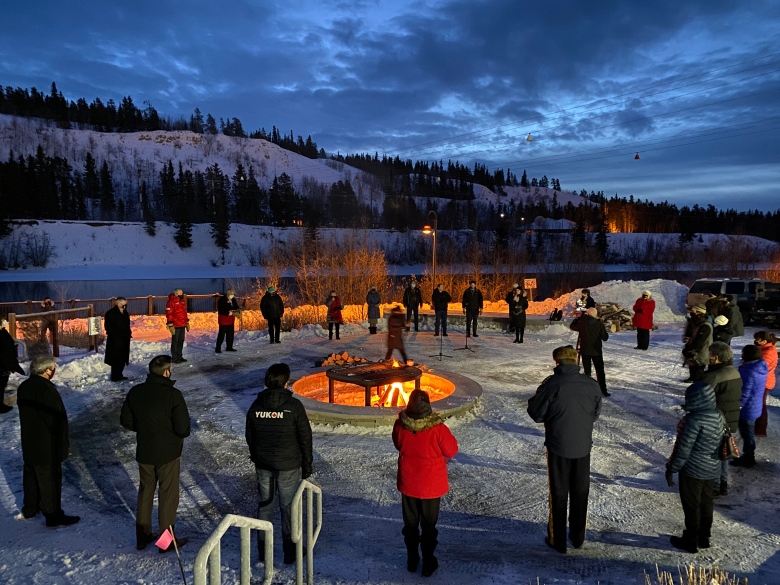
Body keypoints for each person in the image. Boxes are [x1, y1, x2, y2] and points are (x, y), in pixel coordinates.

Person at [527, 345, 602, 554]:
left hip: (558, 445)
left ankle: (557, 539)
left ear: (557, 362)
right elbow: (595, 414)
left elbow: (536, 414)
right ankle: (578, 537)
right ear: (576, 360)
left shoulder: (552, 385)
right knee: (580, 492)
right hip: (583, 446)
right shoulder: (591, 384)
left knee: (558, 493)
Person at [120, 355, 191, 552]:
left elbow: (125, 420)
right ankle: (166, 541)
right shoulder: (173, 395)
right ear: (167, 372)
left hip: (145, 450)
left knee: (145, 492)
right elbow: (183, 428)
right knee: (167, 496)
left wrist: (145, 428)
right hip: (168, 452)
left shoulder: (136, 392)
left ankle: (142, 537)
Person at [245, 363, 313, 565]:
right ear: (285, 382)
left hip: (264, 464)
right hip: (288, 465)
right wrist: (306, 465)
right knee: (288, 508)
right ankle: (290, 551)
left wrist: (257, 456)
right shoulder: (294, 407)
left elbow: (250, 436)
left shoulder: (256, 406)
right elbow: (305, 438)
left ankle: (263, 552)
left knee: (264, 506)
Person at [392, 389, 458, 577]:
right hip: (431, 485)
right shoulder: (438, 429)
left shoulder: (400, 425)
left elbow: (398, 444)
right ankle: (428, 562)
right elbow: (451, 451)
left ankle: (412, 559)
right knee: (429, 526)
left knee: (410, 525)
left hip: (409, 482)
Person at [17, 354, 80, 527]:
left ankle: (30, 507)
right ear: (46, 370)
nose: (54, 371)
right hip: (47, 444)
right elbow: (55, 420)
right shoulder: (47, 390)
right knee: (49, 480)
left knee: (31, 475)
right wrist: (62, 443)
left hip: (29, 441)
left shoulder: (24, 386)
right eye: (53, 368)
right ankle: (53, 515)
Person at [665, 381, 723, 553]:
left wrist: (671, 468)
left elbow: (683, 449)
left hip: (692, 470)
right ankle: (704, 537)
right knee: (706, 503)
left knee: (692, 506)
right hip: (712, 468)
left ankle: (690, 540)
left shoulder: (693, 420)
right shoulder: (718, 414)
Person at [701, 342, 742, 497]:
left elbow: (701, 395)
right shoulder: (733, 371)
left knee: (714, 454)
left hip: (716, 420)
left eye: (710, 353)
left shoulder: (715, 376)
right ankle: (722, 483)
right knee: (722, 453)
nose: (708, 356)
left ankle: (716, 485)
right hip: (729, 418)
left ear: (716, 357)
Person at [732, 344, 769, 468]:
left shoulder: (748, 370)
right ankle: (748, 456)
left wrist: (739, 405)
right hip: (755, 405)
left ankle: (748, 458)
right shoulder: (761, 366)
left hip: (747, 408)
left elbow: (745, 391)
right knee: (749, 434)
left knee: (747, 435)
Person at [570, 307, 610, 396]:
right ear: (595, 314)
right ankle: (603, 390)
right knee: (600, 371)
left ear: (587, 313)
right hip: (596, 351)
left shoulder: (583, 322)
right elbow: (605, 338)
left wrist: (577, 318)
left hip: (585, 350)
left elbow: (572, 326)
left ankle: (588, 390)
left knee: (587, 371)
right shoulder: (599, 324)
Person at [753, 331, 778, 437]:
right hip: (762, 380)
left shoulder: (768, 352)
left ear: (764, 341)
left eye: (757, 339)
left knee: (761, 405)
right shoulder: (763, 349)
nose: (755, 341)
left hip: (763, 381)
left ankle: (760, 429)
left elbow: (761, 368)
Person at [682, 305, 712, 383]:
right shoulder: (696, 322)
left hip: (701, 352)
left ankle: (698, 385)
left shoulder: (705, 325)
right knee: (692, 366)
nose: (691, 312)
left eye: (693, 310)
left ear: (699, 312)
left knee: (698, 369)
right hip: (694, 350)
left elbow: (699, 342)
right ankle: (693, 378)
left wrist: (689, 349)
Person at [104, 297, 131, 381]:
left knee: (123, 358)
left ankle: (120, 374)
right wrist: (114, 335)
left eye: (125, 303)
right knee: (116, 358)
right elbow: (108, 327)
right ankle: (115, 376)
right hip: (115, 340)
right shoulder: (111, 313)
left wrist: (129, 333)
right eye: (123, 303)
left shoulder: (125, 313)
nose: (125, 305)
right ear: (118, 303)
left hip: (124, 339)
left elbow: (127, 325)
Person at [1, 317, 25, 413]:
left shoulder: (3, 331)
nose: (5, 322)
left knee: (2, 384)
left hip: (5, 364)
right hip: (3, 364)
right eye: (3, 320)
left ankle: (1, 404)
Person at [165, 288, 189, 364]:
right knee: (175, 341)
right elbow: (169, 314)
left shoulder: (182, 301)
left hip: (182, 324)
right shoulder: (171, 302)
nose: (182, 294)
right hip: (175, 324)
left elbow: (184, 313)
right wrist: (170, 324)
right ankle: (174, 358)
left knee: (181, 341)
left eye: (182, 292)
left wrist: (187, 322)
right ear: (176, 293)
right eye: (180, 293)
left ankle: (179, 356)